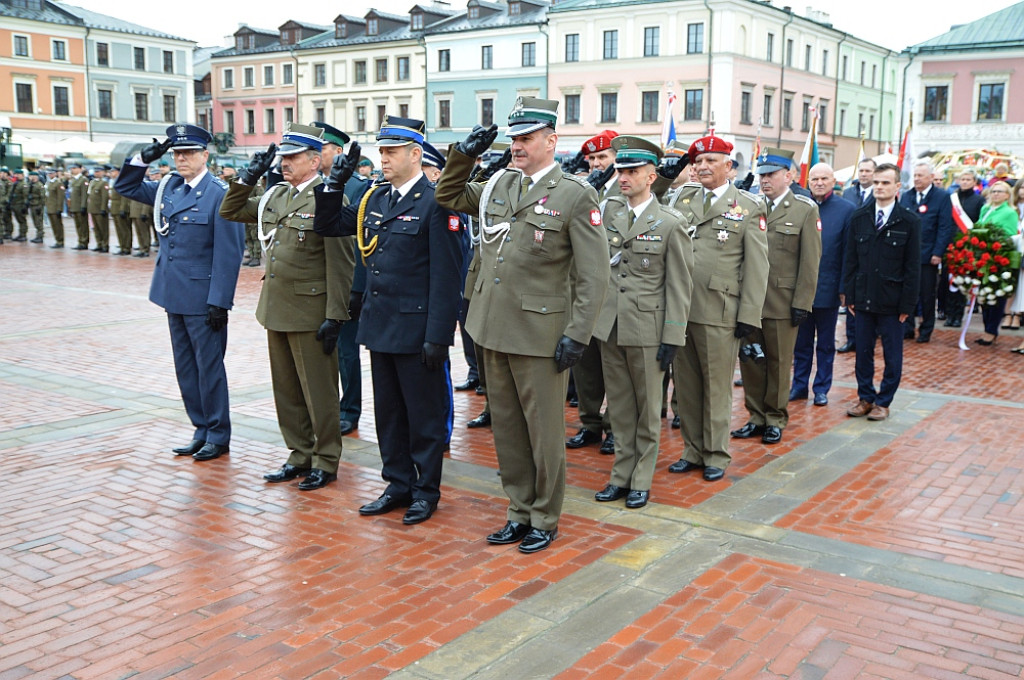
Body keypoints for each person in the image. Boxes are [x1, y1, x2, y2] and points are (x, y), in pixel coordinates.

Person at [435, 98, 609, 553]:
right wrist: (464, 156)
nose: (517, 146)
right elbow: (448, 195)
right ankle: (518, 509)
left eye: (526, 138)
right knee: (508, 427)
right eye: (513, 138)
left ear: (551, 141)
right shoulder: (497, 185)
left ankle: (545, 517)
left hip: (541, 333)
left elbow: (594, 274)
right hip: (492, 325)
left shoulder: (575, 194)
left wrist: (578, 332)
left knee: (543, 431)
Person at [313, 116, 462, 523]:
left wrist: (439, 335)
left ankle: (425, 490)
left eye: (392, 151)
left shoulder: (437, 202)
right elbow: (327, 225)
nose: (384, 158)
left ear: (416, 154)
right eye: (382, 151)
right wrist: (333, 184)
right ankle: (397, 483)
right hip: (380, 326)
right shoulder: (374, 199)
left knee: (424, 415)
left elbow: (448, 276)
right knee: (390, 413)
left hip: (417, 331)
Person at [220, 123, 354, 490]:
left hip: (311, 311)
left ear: (314, 161)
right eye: (283, 158)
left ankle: (325, 460)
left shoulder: (329, 198)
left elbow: (340, 263)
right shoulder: (276, 196)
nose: (284, 164)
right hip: (276, 307)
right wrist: (248, 176)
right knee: (287, 390)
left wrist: (335, 315)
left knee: (319, 392)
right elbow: (230, 209)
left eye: (292, 157)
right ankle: (299, 453)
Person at [114, 123, 246, 461]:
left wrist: (220, 301)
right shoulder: (169, 188)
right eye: (176, 153)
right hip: (173, 293)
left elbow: (228, 254)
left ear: (205, 155)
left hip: (203, 300)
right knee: (186, 367)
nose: (181, 159)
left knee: (210, 368)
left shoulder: (220, 193)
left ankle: (218, 434)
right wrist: (145, 158)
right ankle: (200, 429)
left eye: (188, 152)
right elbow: (126, 186)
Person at [591, 136, 693, 509]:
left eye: (632, 171)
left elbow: (680, 285)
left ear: (652, 176)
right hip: (612, 326)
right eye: (620, 171)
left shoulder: (669, 223)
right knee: (618, 407)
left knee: (648, 410)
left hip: (648, 330)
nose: (623, 177)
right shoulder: (609, 217)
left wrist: (674, 335)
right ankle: (620, 475)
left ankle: (641, 479)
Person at [664, 134, 769, 481]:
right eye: (699, 162)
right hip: (681, 309)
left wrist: (749, 317)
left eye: (711, 161)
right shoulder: (682, 198)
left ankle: (716, 454)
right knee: (687, 385)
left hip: (720, 310)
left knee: (716, 387)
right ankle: (692, 450)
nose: (703, 167)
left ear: (729, 166)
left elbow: (757, 267)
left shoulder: (749, 207)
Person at [731, 148, 820, 445]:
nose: (764, 180)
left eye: (771, 174)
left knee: (779, 363)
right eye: (762, 175)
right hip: (748, 302)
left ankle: (775, 417)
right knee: (750, 361)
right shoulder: (749, 206)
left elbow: (810, 261)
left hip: (782, 301)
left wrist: (802, 303)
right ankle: (755, 416)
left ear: (789, 176)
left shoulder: (804, 210)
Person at [844, 163, 920, 421]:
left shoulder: (909, 221)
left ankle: (884, 401)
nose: (879, 187)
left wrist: (907, 306)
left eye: (885, 183)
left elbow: (913, 268)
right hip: (863, 298)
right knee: (862, 353)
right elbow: (850, 259)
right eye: (876, 182)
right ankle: (865, 398)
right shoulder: (859, 216)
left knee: (892, 356)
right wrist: (849, 295)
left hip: (892, 301)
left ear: (898, 187)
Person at [311, 122, 365, 437]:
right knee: (320, 349)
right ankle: (327, 406)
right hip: (316, 283)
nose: (317, 154)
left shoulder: (357, 187)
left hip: (346, 285)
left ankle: (350, 409)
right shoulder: (313, 184)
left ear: (338, 152)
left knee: (346, 350)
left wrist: (356, 287)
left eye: (322, 149)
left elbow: (358, 246)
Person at [791, 163, 853, 406]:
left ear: (833, 180)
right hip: (800, 289)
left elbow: (848, 252)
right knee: (801, 343)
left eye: (824, 178)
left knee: (826, 344)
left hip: (829, 287)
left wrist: (844, 289)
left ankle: (821, 388)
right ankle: (799, 386)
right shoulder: (799, 207)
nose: (818, 182)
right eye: (814, 178)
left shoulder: (847, 210)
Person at [899, 159, 953, 343]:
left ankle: (926, 329)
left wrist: (938, 252)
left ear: (931, 177)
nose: (916, 179)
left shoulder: (942, 197)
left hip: (928, 255)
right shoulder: (907, 196)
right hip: (907, 256)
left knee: (927, 295)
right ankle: (907, 327)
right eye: (914, 175)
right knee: (907, 292)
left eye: (920, 176)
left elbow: (945, 227)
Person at [972, 181, 1019, 346]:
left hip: (998, 258)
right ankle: (986, 328)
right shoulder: (985, 208)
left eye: (1000, 191)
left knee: (995, 295)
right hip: (982, 256)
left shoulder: (1009, 212)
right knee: (983, 295)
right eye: (993, 191)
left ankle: (992, 330)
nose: (996, 194)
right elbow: (978, 226)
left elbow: (1010, 235)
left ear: (1007, 195)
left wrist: (990, 236)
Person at [945, 169, 985, 327]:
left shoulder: (979, 200)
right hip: (950, 244)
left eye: (969, 179)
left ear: (974, 182)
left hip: (966, 245)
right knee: (947, 281)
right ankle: (949, 314)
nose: (965, 182)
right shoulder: (951, 199)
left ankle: (958, 315)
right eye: (963, 179)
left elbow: (978, 223)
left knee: (962, 281)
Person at [86, 166, 110, 252]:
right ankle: (99, 243)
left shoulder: (104, 183)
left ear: (103, 173)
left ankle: (105, 245)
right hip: (92, 208)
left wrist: (103, 208)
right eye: (96, 172)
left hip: (100, 209)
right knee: (96, 228)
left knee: (103, 228)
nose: (97, 173)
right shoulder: (92, 182)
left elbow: (104, 197)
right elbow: (89, 195)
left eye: (99, 172)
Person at [45, 168, 65, 248]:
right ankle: (57, 240)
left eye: (51, 173)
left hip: (55, 207)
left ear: (55, 174)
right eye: (49, 174)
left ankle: (60, 241)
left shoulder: (58, 183)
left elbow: (60, 197)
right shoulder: (49, 183)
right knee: (53, 225)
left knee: (57, 225)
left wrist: (59, 208)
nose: (50, 175)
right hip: (50, 207)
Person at [9, 169, 30, 242]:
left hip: (20, 205)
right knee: (19, 220)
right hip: (15, 204)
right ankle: (20, 234)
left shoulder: (24, 184)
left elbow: (25, 196)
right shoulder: (16, 183)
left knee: (22, 220)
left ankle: (23, 235)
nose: (17, 176)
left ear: (22, 175)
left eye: (18, 174)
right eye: (16, 174)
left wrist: (25, 206)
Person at [27, 172, 46, 243]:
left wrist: (40, 206)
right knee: (35, 221)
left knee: (39, 221)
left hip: (37, 205)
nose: (32, 177)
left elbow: (43, 197)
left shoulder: (39, 185)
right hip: (32, 205)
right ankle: (38, 235)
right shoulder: (30, 184)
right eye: (31, 176)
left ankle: (40, 236)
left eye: (34, 176)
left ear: (37, 177)